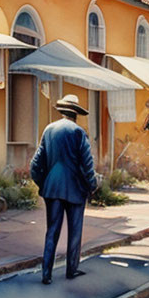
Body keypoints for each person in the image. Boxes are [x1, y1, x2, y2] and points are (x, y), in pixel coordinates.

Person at [30, 94, 98, 285]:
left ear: (61, 112)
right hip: (75, 188)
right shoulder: (78, 132)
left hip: (52, 187)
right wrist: (92, 185)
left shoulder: (49, 130)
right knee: (75, 231)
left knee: (52, 230)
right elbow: (87, 164)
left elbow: (36, 164)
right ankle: (71, 269)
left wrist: (43, 183)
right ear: (76, 113)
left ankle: (46, 273)